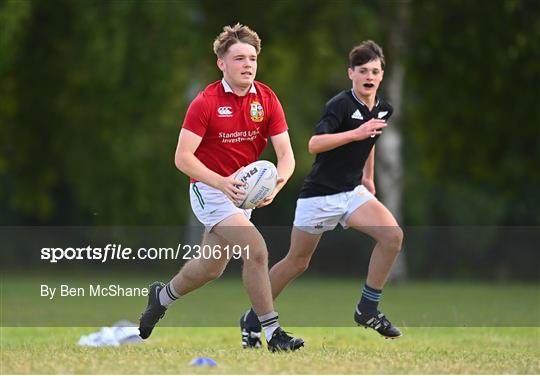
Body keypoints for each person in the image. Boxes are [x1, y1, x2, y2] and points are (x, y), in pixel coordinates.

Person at [138, 23, 304, 352]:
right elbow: (182, 158)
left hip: (242, 195)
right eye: (239, 58)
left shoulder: (267, 99)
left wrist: (277, 185)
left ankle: (162, 296)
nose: (248, 65)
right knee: (256, 250)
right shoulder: (206, 102)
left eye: (252, 58)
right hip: (210, 189)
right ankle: (272, 333)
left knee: (210, 267)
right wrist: (221, 183)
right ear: (222, 64)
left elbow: (287, 156)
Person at [239, 40, 403, 348]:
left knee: (392, 237)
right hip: (319, 197)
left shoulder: (383, 107)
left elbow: (370, 140)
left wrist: (368, 177)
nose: (370, 76)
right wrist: (356, 132)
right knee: (297, 262)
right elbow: (315, 144)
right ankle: (252, 318)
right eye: (363, 70)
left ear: (382, 75)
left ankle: (367, 308)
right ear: (351, 73)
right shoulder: (339, 105)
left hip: (352, 192)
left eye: (376, 71)